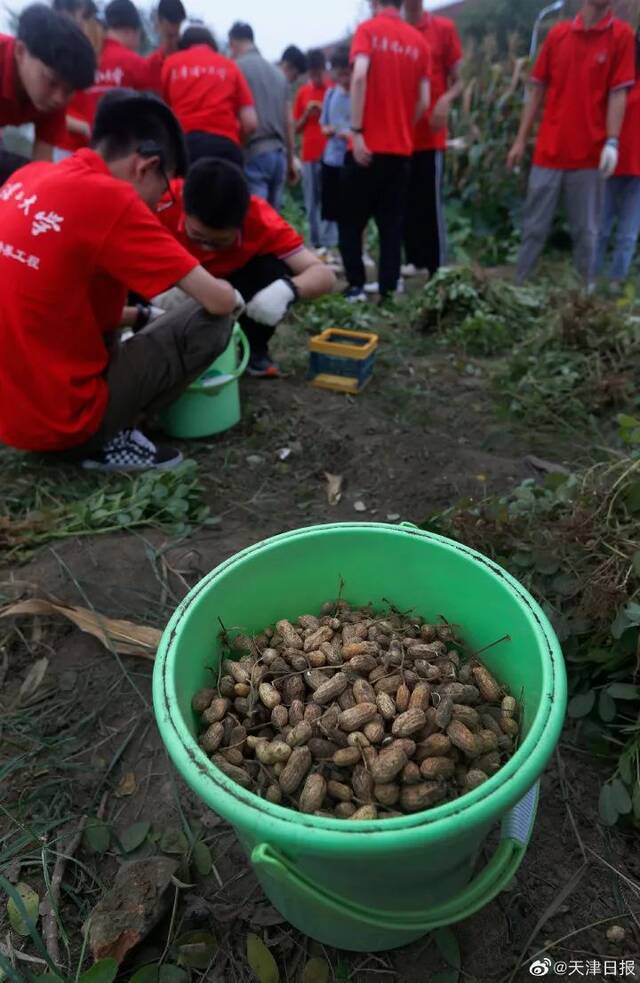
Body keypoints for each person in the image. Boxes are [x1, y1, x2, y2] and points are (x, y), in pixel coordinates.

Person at [0, 90, 242, 472]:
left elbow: (56, 302)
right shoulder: (112, 199)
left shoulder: (29, 176)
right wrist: (231, 294)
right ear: (146, 166)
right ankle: (106, 440)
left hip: (11, 419)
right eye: (163, 194)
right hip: (67, 425)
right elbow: (219, 302)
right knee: (211, 325)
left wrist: (142, 315)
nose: (158, 205)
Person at [157, 156, 336, 378]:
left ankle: (253, 349)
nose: (207, 248)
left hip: (235, 294)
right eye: (197, 236)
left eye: (219, 242)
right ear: (184, 207)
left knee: (273, 267)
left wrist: (286, 290)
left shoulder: (261, 220)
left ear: (242, 221)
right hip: (171, 283)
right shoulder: (161, 201)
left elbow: (323, 275)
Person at [507, 0, 635, 287]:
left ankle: (581, 300)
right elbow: (537, 88)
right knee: (534, 228)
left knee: (586, 233)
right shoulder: (558, 34)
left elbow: (618, 93)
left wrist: (612, 141)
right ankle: (519, 287)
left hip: (589, 156)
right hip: (548, 152)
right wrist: (519, 140)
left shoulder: (620, 36)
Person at [339, 0, 431, 303]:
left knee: (351, 222)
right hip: (401, 151)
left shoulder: (367, 31)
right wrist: (404, 126)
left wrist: (357, 131)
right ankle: (389, 290)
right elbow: (424, 100)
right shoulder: (419, 42)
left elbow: (360, 75)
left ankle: (355, 286)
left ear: (374, 3)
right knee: (391, 225)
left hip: (367, 148)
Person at [402, 0, 463, 278]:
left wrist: (445, 101)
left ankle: (437, 265)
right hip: (400, 135)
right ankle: (413, 258)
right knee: (405, 200)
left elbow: (459, 80)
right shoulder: (396, 31)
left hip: (430, 135)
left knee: (430, 201)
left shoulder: (443, 28)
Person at [0, 4, 95, 180]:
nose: (59, 98)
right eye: (51, 81)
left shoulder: (54, 98)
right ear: (21, 52)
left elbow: (42, 164)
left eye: (69, 91)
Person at [162, 25, 257, 168]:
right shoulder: (230, 66)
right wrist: (236, 142)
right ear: (212, 45)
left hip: (185, 147)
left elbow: (163, 111)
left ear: (182, 46)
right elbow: (250, 123)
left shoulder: (171, 63)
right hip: (225, 148)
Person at [228, 21, 298, 212]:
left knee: (255, 223)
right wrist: (291, 162)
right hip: (279, 156)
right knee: (272, 226)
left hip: (254, 153)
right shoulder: (278, 74)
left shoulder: (235, 69)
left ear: (232, 42)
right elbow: (289, 123)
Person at [596, 30, 640, 287]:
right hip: (611, 164)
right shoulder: (622, 83)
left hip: (638, 171)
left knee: (627, 234)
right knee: (599, 228)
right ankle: (590, 282)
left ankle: (615, 283)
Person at [294, 49, 337, 253]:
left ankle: (330, 243)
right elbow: (295, 127)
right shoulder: (303, 92)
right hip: (309, 154)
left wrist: (323, 110)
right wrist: (306, 114)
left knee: (330, 198)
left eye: (318, 72)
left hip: (331, 154)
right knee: (311, 200)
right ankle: (315, 242)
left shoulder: (333, 90)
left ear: (324, 69)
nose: (315, 78)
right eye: (312, 74)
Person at [83, 0, 152, 126]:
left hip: (77, 142)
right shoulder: (136, 63)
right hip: (121, 142)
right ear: (131, 31)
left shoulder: (84, 56)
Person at [52, 0, 103, 160]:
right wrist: (83, 127)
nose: (84, 22)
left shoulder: (85, 57)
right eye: (84, 15)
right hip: (65, 147)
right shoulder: (56, 55)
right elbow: (47, 109)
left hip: (88, 149)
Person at [320, 48, 351, 229]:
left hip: (353, 159)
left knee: (355, 209)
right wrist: (333, 130)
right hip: (332, 159)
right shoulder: (330, 95)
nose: (342, 75)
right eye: (338, 70)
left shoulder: (360, 93)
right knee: (335, 210)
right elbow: (323, 126)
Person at [146, 0, 186, 93]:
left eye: (176, 36)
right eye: (169, 36)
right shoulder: (149, 65)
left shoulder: (190, 63)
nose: (173, 42)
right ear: (158, 23)